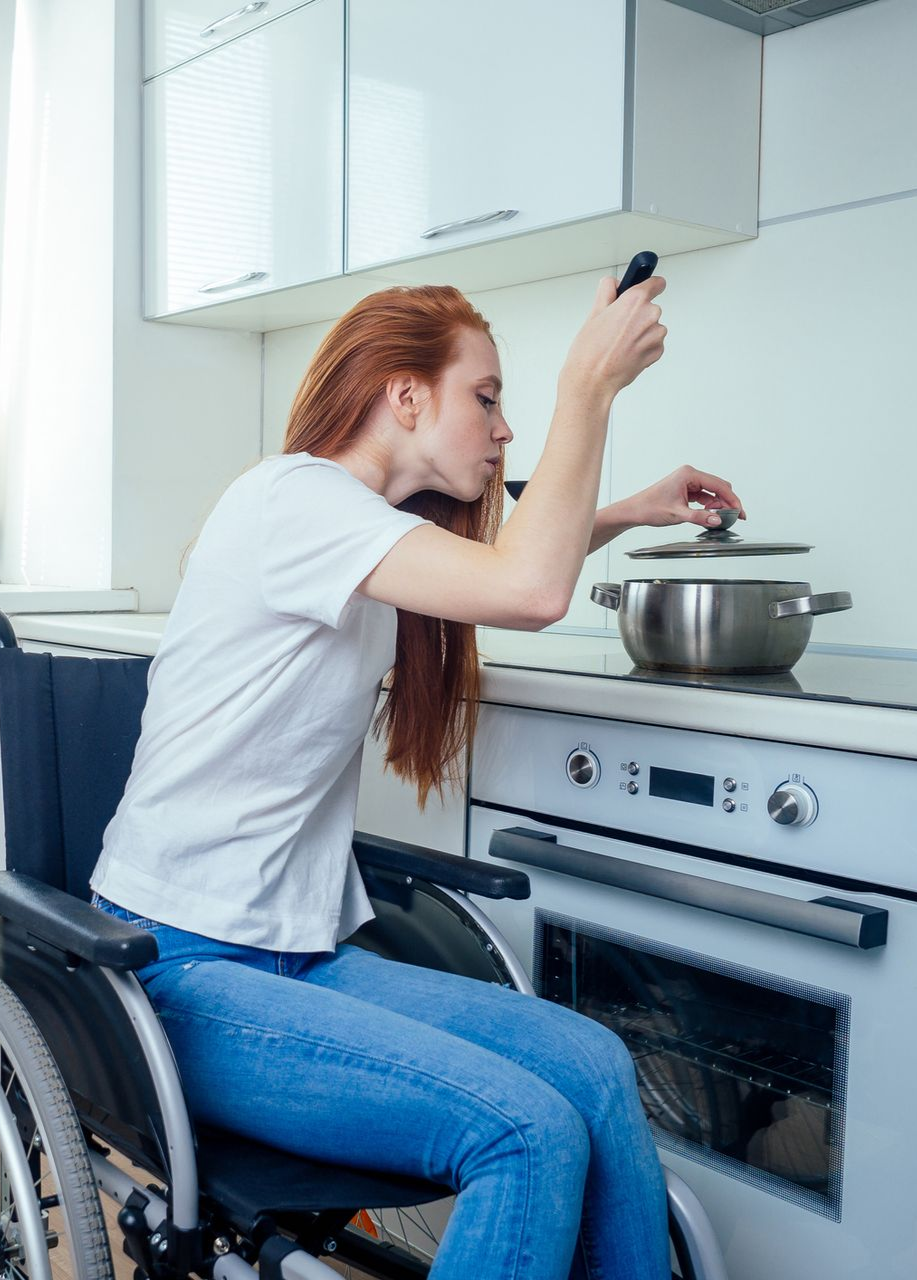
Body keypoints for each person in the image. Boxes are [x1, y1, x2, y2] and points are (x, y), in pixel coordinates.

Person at [91, 274, 743, 1280]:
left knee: (597, 1070)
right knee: (524, 1132)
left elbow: (506, 554)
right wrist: (585, 387)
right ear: (404, 397)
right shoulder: (292, 498)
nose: (503, 427)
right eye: (484, 396)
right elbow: (525, 585)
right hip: (183, 969)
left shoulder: (353, 527)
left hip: (297, 953)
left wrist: (631, 507)